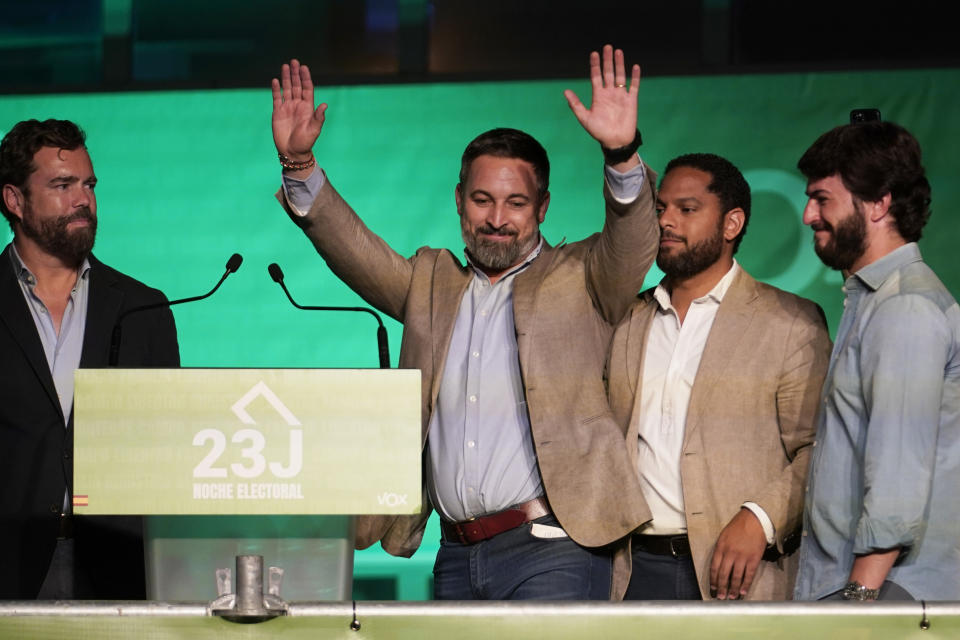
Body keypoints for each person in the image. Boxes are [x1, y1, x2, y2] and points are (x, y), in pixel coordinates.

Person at [270, 45, 658, 600]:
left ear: (543, 208)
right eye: (482, 200)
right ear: (458, 201)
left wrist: (622, 154)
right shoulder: (431, 280)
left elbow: (633, 239)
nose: (497, 219)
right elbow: (352, 249)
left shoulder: (583, 276)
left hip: (554, 548)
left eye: (516, 203)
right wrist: (300, 167)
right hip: (456, 554)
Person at [606, 153, 831, 600]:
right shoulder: (626, 318)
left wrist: (761, 518)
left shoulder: (790, 323)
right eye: (660, 208)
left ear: (731, 224)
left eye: (686, 210)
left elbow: (820, 449)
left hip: (736, 578)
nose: (666, 221)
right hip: (627, 574)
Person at [0, 119, 179, 599]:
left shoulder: (145, 309)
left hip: (118, 571)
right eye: (62, 185)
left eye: (89, 184)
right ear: (14, 200)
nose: (83, 199)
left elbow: (169, 451)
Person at [794, 121, 960, 601]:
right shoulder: (873, 299)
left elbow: (898, 470)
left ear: (879, 203)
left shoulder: (905, 307)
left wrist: (860, 600)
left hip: (886, 594)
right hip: (863, 590)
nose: (808, 215)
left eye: (822, 199)